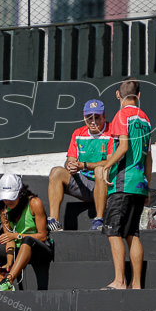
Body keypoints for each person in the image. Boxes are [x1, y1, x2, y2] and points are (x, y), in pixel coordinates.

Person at [100, 79, 152, 290]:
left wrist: (106, 167)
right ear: (139, 96)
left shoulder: (122, 116)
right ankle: (136, 284)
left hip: (123, 182)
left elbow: (122, 148)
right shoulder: (146, 119)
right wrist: (147, 185)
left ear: (118, 95)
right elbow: (149, 158)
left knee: (114, 232)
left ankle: (120, 281)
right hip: (140, 183)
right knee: (132, 233)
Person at [0, 174, 53, 292]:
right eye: (5, 198)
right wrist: (9, 261)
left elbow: (42, 236)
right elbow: (9, 239)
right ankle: (4, 283)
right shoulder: (3, 209)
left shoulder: (34, 203)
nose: (8, 201)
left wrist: (16, 235)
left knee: (26, 240)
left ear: (20, 193)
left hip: (38, 249)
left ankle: (8, 280)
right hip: (18, 250)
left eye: (12, 197)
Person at [47, 99, 112, 232]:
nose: (93, 122)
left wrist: (84, 165)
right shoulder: (78, 133)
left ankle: (99, 219)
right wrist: (70, 165)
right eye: (89, 118)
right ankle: (54, 221)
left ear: (104, 117)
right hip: (84, 184)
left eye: (97, 117)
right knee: (56, 172)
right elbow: (70, 160)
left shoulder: (111, 133)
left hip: (106, 184)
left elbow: (110, 163)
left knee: (100, 170)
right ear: (84, 118)